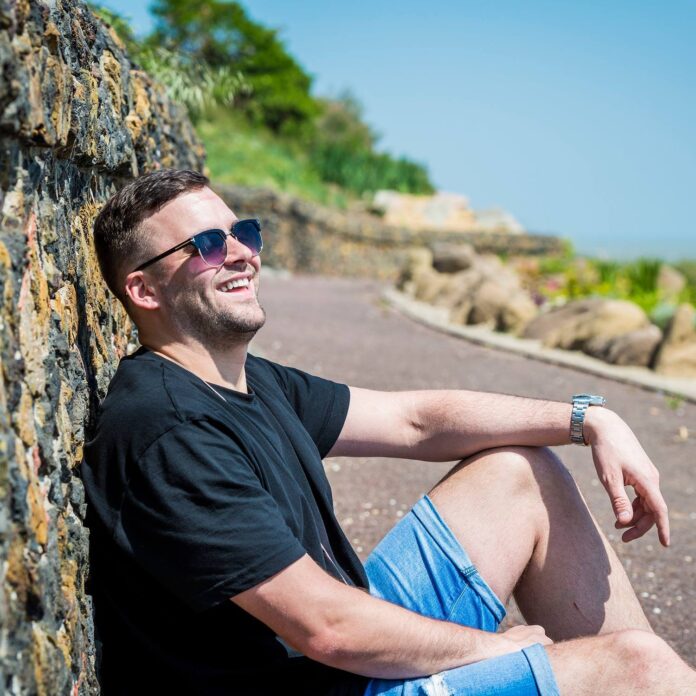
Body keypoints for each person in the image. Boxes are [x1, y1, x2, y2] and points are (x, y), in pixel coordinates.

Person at [81, 168, 696, 696]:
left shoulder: (246, 380)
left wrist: (587, 419)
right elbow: (328, 628)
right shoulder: (172, 432)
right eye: (208, 245)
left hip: (338, 649)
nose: (242, 252)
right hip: (312, 680)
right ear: (144, 289)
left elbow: (415, 421)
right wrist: (497, 650)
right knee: (636, 665)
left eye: (244, 233)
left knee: (521, 473)